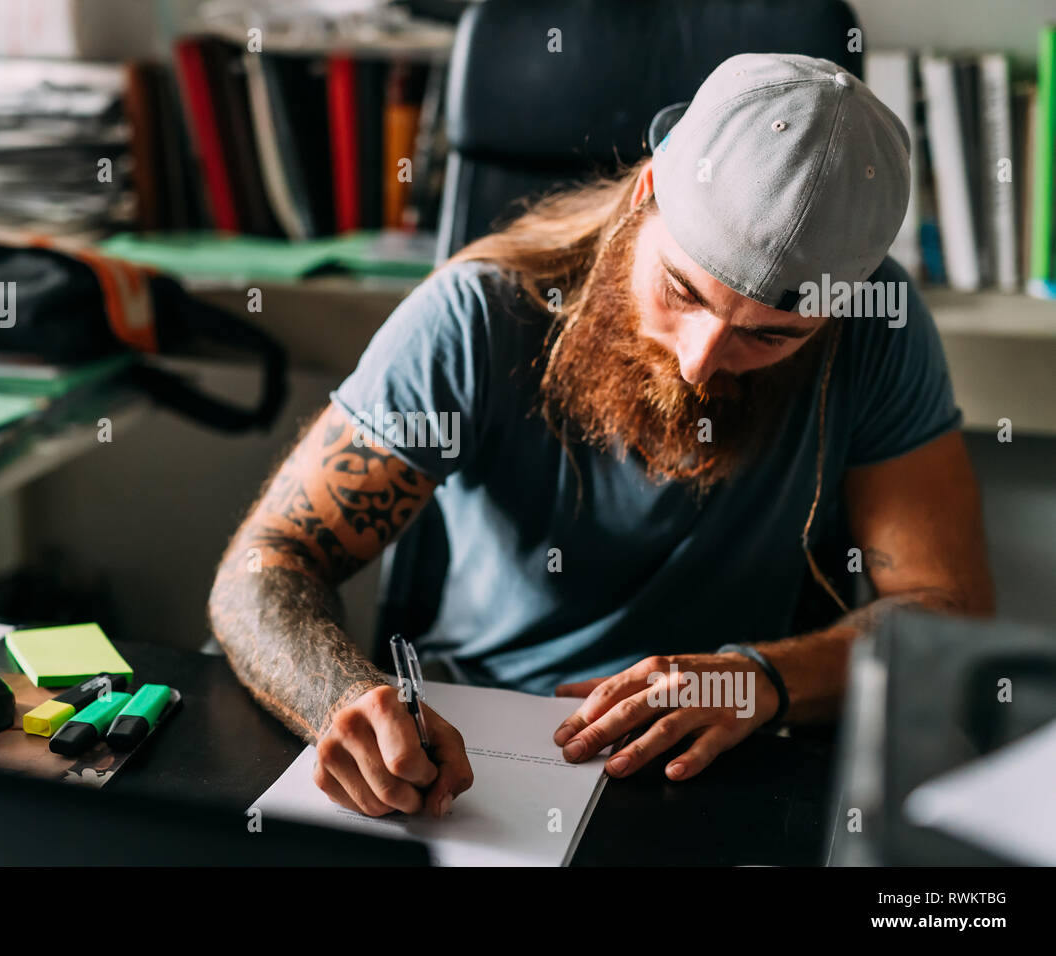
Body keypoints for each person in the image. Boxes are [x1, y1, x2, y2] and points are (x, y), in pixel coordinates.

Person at [208, 53, 994, 819]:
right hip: (479, 757)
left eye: (772, 336)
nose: (699, 362)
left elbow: (946, 607)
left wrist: (761, 678)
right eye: (683, 290)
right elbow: (264, 565)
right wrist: (341, 697)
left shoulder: (877, 328)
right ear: (646, 192)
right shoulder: (477, 317)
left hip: (729, 757)